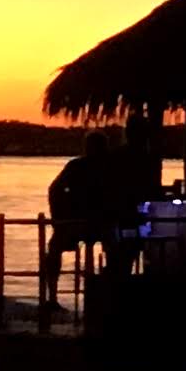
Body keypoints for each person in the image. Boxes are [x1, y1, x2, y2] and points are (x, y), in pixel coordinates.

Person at [43, 130, 119, 311]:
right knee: (54, 249)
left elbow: (54, 190)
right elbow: (55, 190)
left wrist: (57, 218)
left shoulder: (83, 166)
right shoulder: (103, 166)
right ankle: (53, 297)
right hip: (88, 223)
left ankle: (53, 296)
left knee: (54, 249)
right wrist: (59, 219)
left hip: (90, 223)